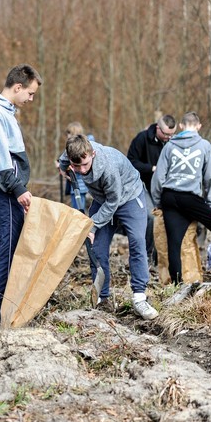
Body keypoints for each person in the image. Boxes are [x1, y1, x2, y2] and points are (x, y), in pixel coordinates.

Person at [59, 135, 158, 319]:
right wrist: (64, 167)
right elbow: (64, 159)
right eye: (76, 166)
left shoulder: (108, 167)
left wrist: (93, 225)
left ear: (93, 154)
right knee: (96, 248)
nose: (81, 170)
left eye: (85, 165)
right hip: (102, 199)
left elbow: (113, 203)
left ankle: (139, 297)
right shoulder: (72, 152)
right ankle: (101, 299)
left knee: (137, 241)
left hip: (128, 197)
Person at [0, 64, 42, 325]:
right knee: (3, 253)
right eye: (30, 93)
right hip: (4, 193)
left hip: (7, 192)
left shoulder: (5, 113)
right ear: (18, 87)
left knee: (1, 251)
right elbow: (0, 161)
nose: (31, 99)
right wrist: (19, 190)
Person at [151, 112, 211, 284]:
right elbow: (209, 179)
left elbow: (159, 178)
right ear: (198, 127)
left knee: (173, 243)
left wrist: (158, 202)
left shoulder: (169, 146)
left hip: (169, 197)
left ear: (182, 126)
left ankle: (177, 285)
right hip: (190, 198)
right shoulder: (204, 145)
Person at [127, 114, 177, 263]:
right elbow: (131, 162)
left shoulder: (173, 142)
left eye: (171, 134)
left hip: (165, 187)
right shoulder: (142, 139)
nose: (168, 138)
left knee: (168, 218)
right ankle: (146, 256)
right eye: (166, 134)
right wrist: (152, 168)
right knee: (150, 217)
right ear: (157, 128)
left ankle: (161, 256)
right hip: (144, 186)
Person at [58, 122, 93, 211]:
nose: (67, 136)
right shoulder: (72, 148)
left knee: (78, 210)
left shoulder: (82, 148)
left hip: (79, 184)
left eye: (69, 133)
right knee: (78, 208)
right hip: (77, 184)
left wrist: (62, 166)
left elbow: (77, 165)